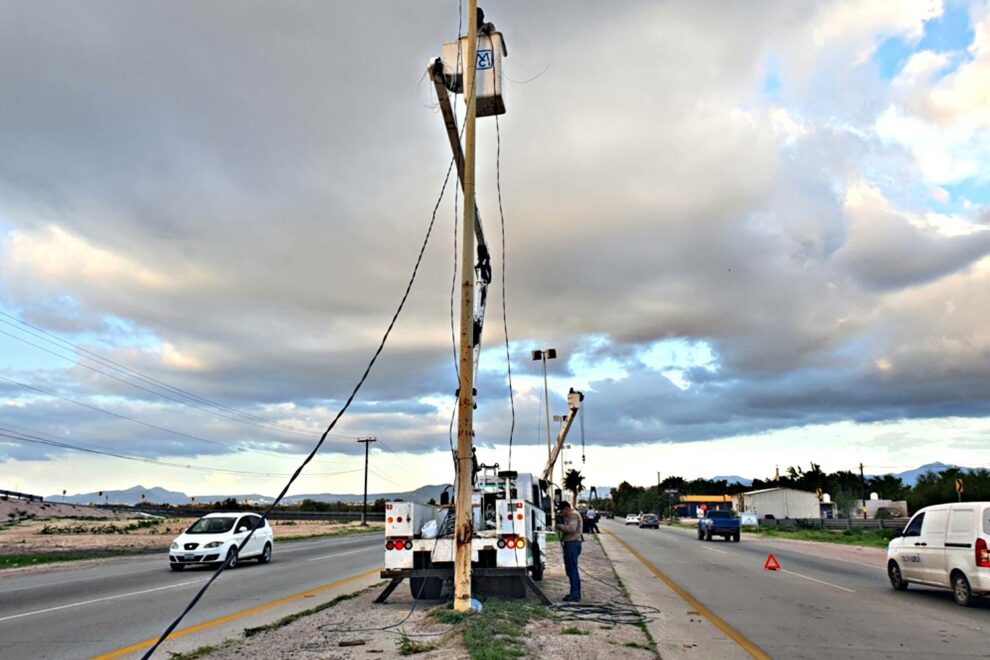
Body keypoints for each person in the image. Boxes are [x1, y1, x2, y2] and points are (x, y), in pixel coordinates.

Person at [555, 501, 583, 602]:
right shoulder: (572, 515)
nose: (562, 514)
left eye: (562, 511)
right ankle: (574, 593)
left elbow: (572, 528)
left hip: (572, 544)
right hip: (571, 544)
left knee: (572, 570)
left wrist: (559, 526)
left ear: (566, 509)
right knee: (571, 570)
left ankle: (575, 595)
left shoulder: (573, 515)